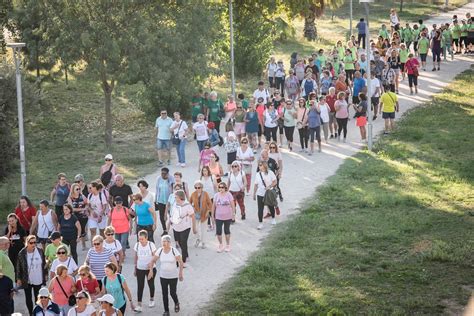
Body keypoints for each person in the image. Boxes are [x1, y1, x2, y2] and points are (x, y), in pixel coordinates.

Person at [149, 235, 184, 316]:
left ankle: (176, 302)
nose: (164, 243)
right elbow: (152, 261)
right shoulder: (160, 250)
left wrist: (180, 273)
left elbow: (181, 262)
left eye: (166, 241)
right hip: (163, 276)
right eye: (163, 241)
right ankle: (166, 311)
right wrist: (151, 271)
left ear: (169, 242)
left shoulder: (173, 250)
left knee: (172, 292)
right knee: (164, 293)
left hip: (173, 276)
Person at [17, 235, 47, 315]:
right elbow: (18, 266)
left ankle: (37, 312)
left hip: (38, 278)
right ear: (27, 243)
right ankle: (31, 313)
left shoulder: (40, 251)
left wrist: (46, 274)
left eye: (35, 242)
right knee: (28, 297)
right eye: (31, 243)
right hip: (27, 279)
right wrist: (19, 278)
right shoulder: (22, 253)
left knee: (37, 297)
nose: (33, 244)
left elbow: (44, 263)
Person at [133, 230, 157, 312]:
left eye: (142, 239)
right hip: (140, 268)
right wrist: (135, 268)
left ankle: (152, 299)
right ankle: (139, 305)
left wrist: (151, 270)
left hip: (150, 268)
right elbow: (136, 257)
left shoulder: (151, 245)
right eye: (139, 239)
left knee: (151, 284)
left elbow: (155, 258)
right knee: (140, 286)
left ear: (146, 238)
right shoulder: (137, 245)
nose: (141, 241)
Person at [169, 190, 196, 264]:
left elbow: (193, 216)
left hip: (185, 227)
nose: (174, 198)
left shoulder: (187, 205)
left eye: (176, 197)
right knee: (179, 242)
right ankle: (186, 254)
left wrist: (194, 227)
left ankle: (183, 260)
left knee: (183, 242)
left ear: (180, 197)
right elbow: (172, 213)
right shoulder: (175, 204)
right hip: (176, 227)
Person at [253, 161, 277, 229]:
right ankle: (260, 223)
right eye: (259, 165)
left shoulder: (270, 172)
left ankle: (273, 218)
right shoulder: (258, 174)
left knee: (271, 206)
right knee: (260, 209)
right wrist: (254, 193)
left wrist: (269, 186)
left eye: (261, 165)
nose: (259, 166)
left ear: (264, 165)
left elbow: (275, 181)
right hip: (260, 193)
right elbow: (256, 184)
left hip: (268, 192)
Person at [189, 180, 212, 249]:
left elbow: (210, 203)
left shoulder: (205, 194)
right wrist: (192, 208)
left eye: (199, 187)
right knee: (195, 229)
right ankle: (198, 239)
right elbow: (189, 203)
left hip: (204, 214)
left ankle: (203, 242)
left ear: (202, 187)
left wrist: (209, 211)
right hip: (195, 214)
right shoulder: (193, 194)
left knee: (203, 229)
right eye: (196, 187)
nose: (197, 189)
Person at [67, 183, 88, 251]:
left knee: (82, 231)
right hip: (74, 217)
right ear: (73, 190)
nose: (78, 190)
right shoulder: (70, 198)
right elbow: (71, 209)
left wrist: (86, 209)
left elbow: (87, 204)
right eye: (77, 189)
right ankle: (73, 248)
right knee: (74, 232)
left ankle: (83, 245)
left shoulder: (82, 196)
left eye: (79, 189)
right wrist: (82, 209)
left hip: (82, 216)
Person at [155, 167, 175, 235]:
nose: (163, 175)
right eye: (162, 173)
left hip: (169, 201)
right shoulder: (158, 178)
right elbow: (157, 189)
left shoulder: (171, 178)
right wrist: (156, 199)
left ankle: (175, 227)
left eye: (164, 174)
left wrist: (168, 179)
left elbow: (173, 190)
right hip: (161, 200)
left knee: (171, 215)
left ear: (167, 173)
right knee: (161, 216)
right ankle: (165, 230)